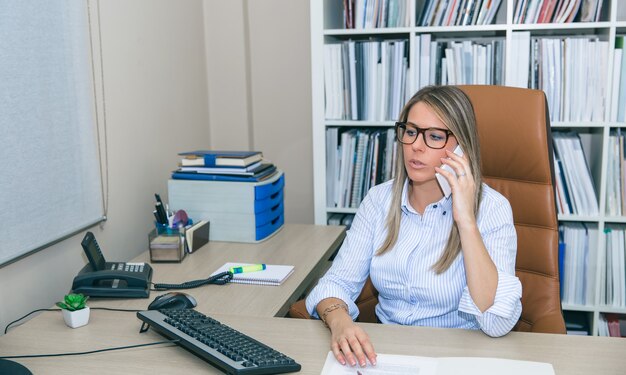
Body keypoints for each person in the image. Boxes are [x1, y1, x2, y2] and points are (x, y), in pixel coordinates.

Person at [305, 85, 522, 368]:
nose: (416, 146)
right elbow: (336, 283)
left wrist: (465, 219)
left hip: (460, 357)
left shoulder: (492, 209)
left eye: (434, 136)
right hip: (386, 356)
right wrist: (340, 321)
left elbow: (496, 321)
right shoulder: (378, 201)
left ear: (461, 148)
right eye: (410, 132)